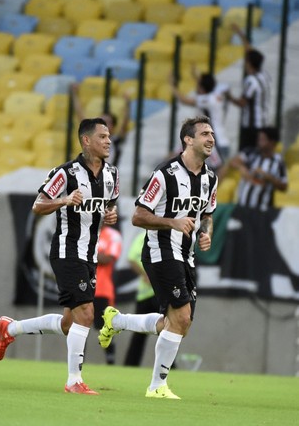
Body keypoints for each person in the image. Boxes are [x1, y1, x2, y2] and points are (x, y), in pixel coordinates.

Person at [0, 117, 119, 395]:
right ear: (86, 141)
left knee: (69, 323)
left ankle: (10, 328)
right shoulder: (66, 173)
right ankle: (74, 381)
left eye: (109, 136)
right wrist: (64, 199)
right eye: (102, 136)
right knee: (87, 313)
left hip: (90, 254)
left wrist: (110, 215)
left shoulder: (112, 174)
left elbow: (109, 207)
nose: (108, 141)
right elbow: (38, 206)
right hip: (67, 250)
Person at [98, 115, 218, 399]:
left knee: (178, 324)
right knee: (181, 316)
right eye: (204, 133)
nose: (211, 138)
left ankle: (117, 322)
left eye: (212, 133)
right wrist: (173, 222)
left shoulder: (210, 179)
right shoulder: (165, 174)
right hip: (160, 252)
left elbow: (208, 214)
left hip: (186, 255)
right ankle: (156, 386)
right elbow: (138, 216)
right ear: (188, 139)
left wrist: (206, 232)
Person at [225, 23, 271, 152]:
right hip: (263, 122)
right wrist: (240, 33)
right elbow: (249, 51)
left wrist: (229, 97)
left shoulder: (251, 81)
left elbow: (242, 102)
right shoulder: (264, 75)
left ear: (249, 63)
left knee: (246, 155)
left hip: (251, 127)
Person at [172, 72, 230, 168]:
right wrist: (195, 75)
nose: (196, 87)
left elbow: (184, 100)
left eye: (198, 84)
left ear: (202, 87)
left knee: (215, 174)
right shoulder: (216, 95)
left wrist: (172, 86)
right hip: (223, 140)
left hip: (216, 143)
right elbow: (206, 85)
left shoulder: (206, 100)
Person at [228, 126, 288, 211]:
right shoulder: (251, 153)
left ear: (272, 142)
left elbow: (284, 186)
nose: (259, 142)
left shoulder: (279, 162)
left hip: (261, 211)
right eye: (259, 139)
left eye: (263, 140)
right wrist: (242, 168)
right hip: (241, 208)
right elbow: (233, 162)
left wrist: (268, 177)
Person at [70, 82, 130, 167]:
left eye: (107, 123)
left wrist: (127, 103)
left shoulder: (116, 140)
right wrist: (74, 94)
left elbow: (125, 124)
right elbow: (81, 116)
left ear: (113, 127)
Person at [122, 230, 159, 367]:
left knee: (166, 331)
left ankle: (130, 365)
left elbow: (132, 258)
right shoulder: (145, 235)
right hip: (149, 294)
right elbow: (131, 258)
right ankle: (131, 365)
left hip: (156, 294)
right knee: (167, 330)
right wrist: (145, 274)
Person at [93, 223, 122, 365]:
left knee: (105, 327)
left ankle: (110, 361)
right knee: (80, 326)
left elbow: (108, 258)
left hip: (102, 289)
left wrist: (87, 252)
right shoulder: (86, 230)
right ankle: (77, 362)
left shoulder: (113, 235)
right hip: (83, 287)